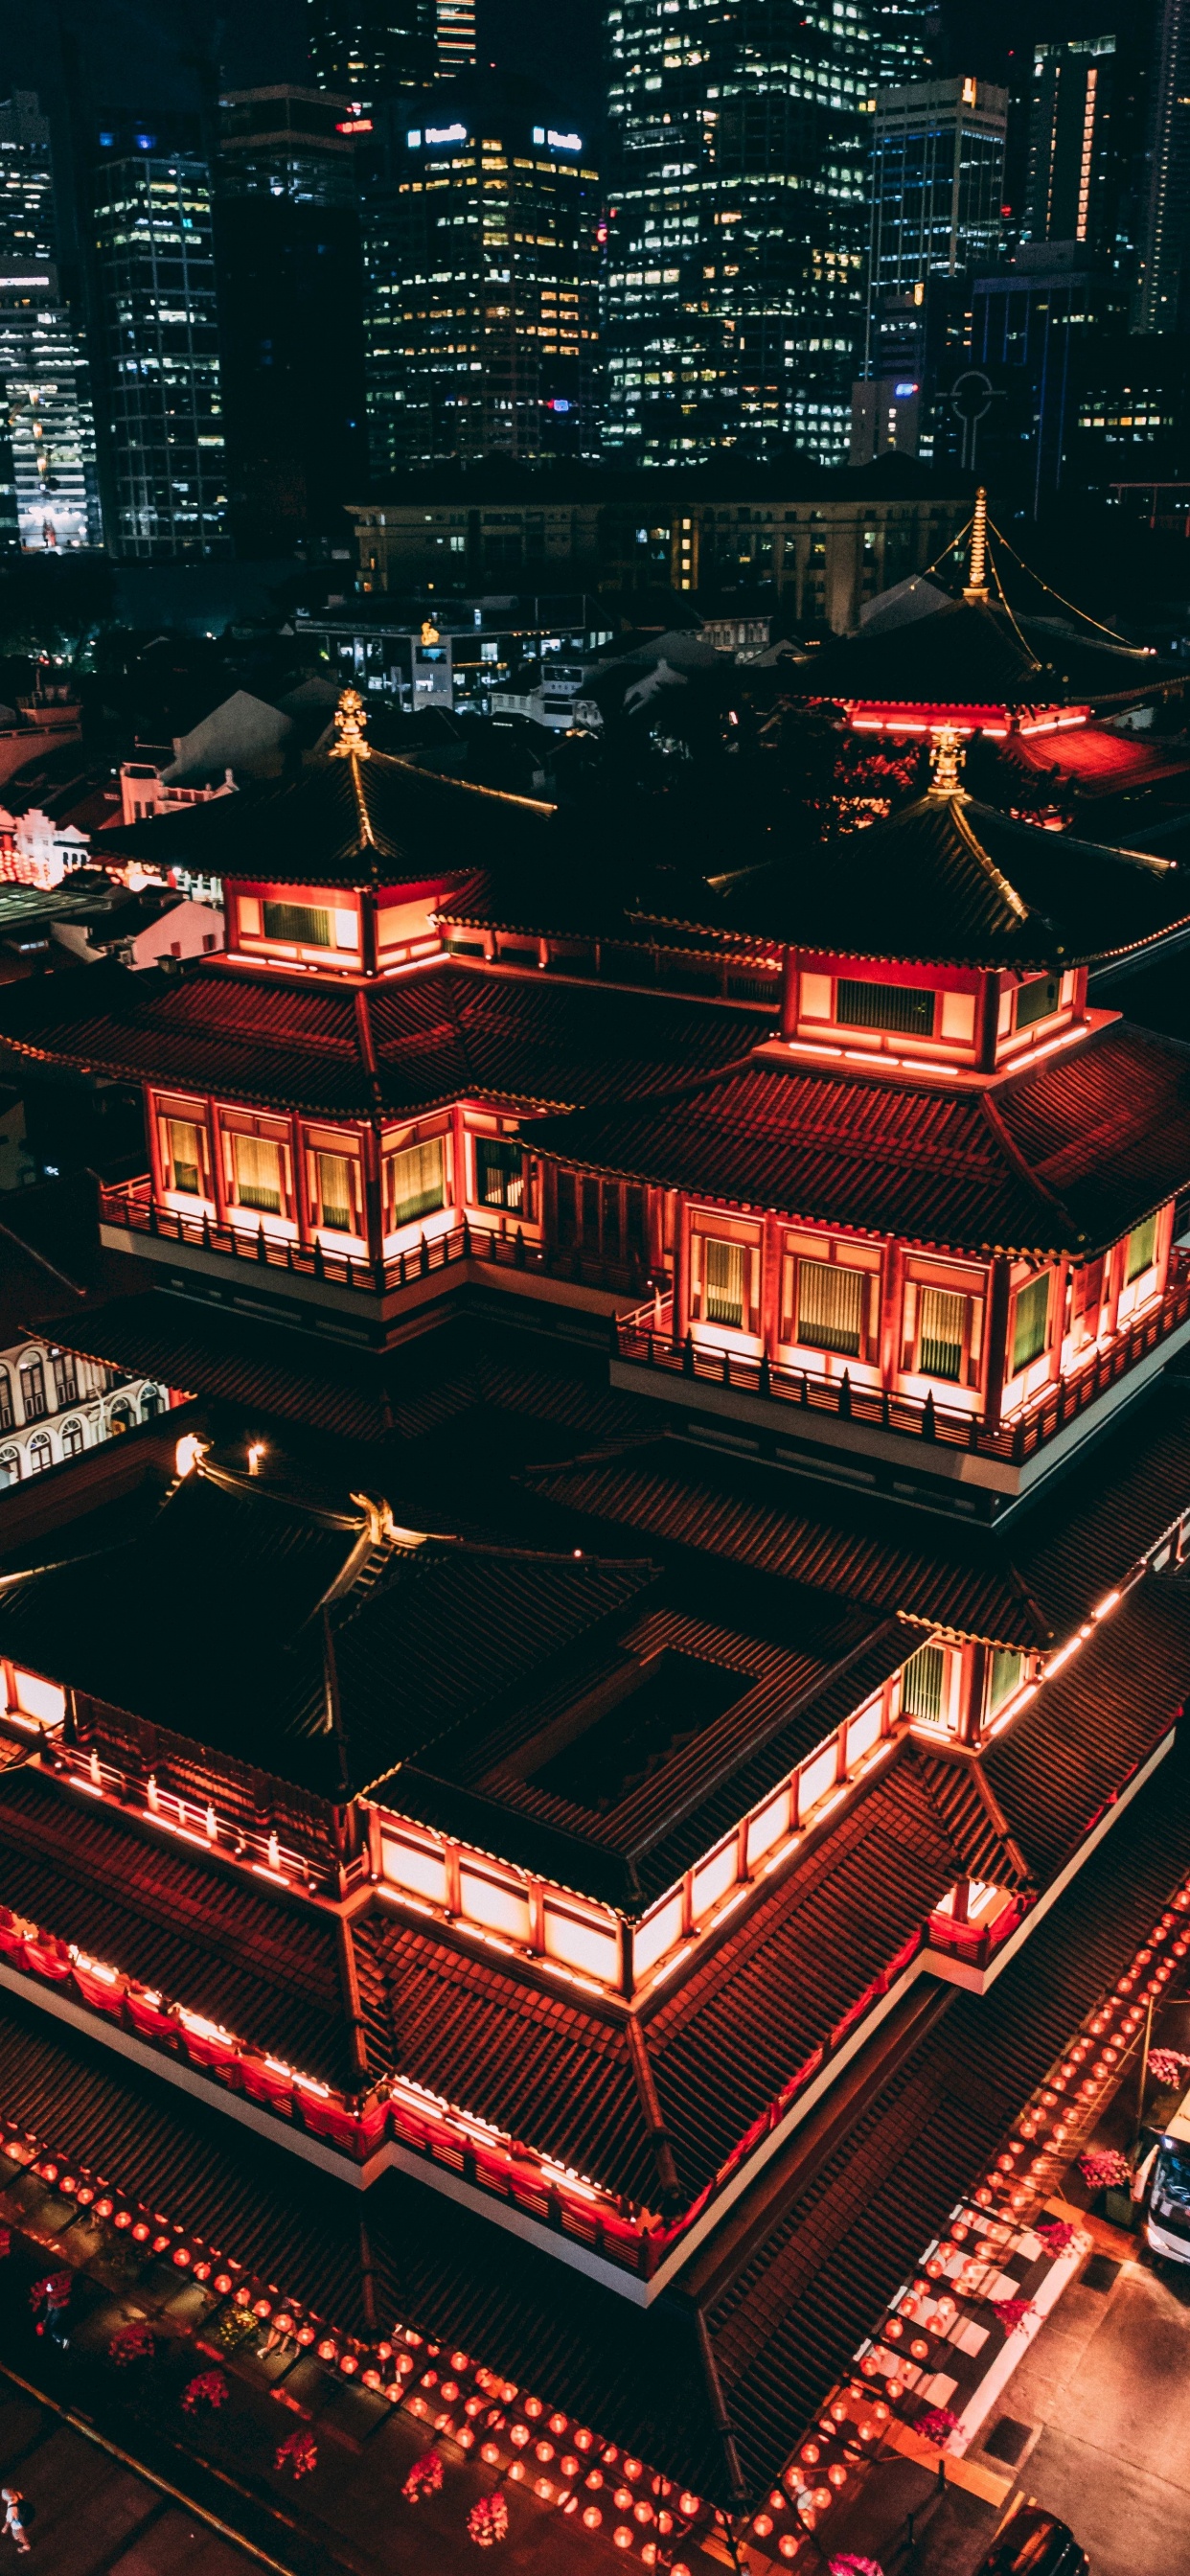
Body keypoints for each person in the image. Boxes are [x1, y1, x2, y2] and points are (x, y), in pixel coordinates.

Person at [1, 2489, 30, 2553]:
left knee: (20, 2535)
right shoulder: (17, 2494)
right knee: (17, 2535)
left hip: (17, 2523)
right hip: (22, 2516)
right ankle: (24, 2540)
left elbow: (9, 2520)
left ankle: (26, 2545)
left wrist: (5, 2528)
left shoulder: (11, 2507)